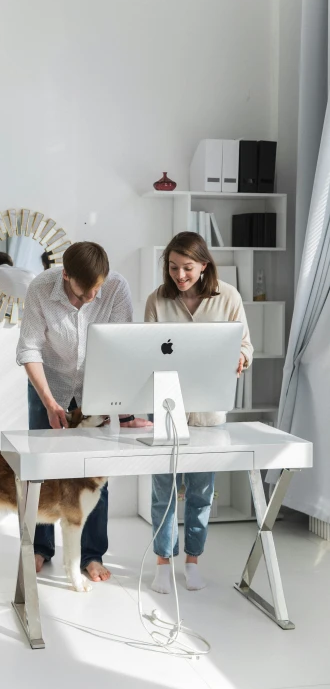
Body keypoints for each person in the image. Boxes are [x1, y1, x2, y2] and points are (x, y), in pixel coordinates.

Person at [16, 241, 151, 582]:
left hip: (98, 386)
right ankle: (39, 548)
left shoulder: (116, 287)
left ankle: (91, 555)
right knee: (41, 470)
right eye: (82, 292)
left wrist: (121, 409)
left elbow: (122, 347)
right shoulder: (40, 289)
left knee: (95, 473)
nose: (91, 297)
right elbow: (29, 348)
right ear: (66, 276)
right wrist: (49, 401)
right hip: (50, 385)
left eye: (97, 289)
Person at [144, 231, 253, 594]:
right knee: (164, 491)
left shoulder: (229, 297)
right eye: (173, 267)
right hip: (168, 408)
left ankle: (192, 561)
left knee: (201, 492)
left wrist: (241, 357)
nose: (179, 275)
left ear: (204, 265)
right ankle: (163, 562)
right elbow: (143, 350)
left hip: (209, 412)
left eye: (187, 267)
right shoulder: (157, 300)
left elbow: (245, 345)